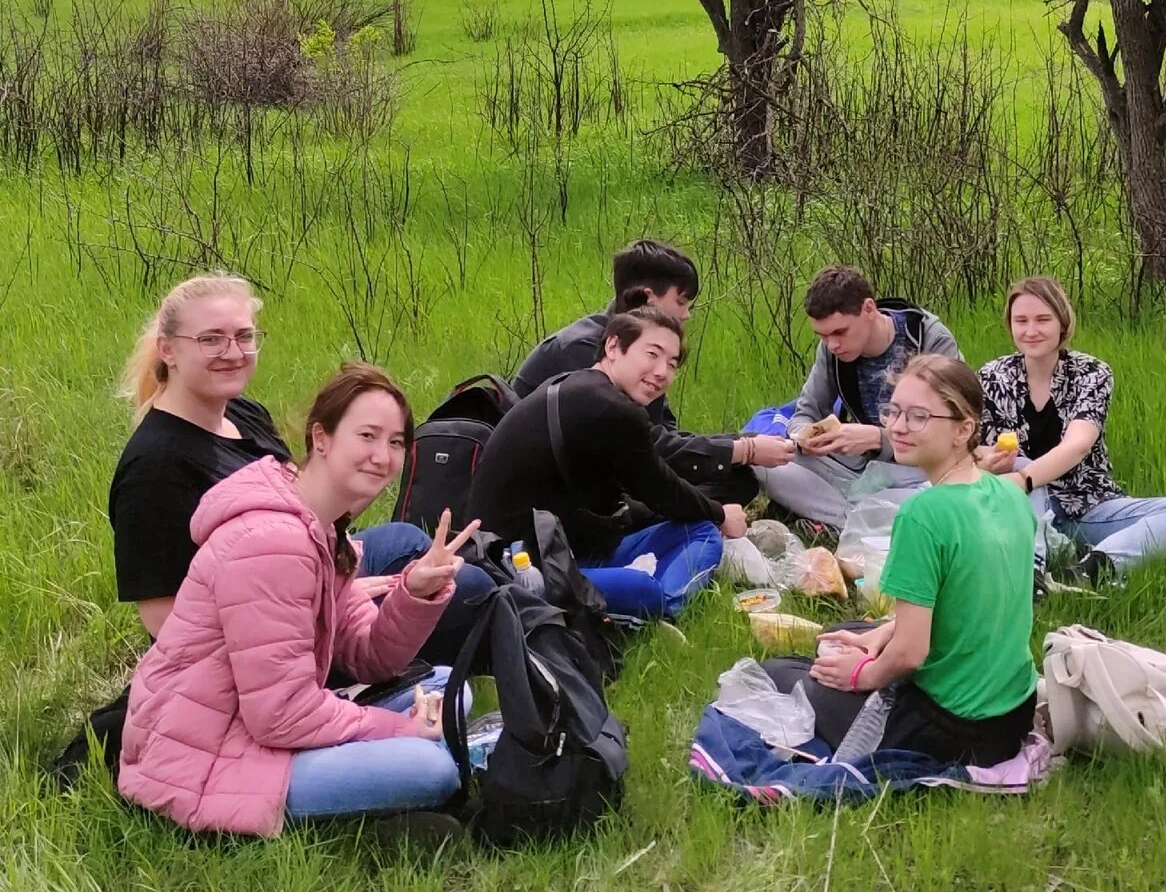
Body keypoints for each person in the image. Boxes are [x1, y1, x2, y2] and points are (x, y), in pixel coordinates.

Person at [118, 362, 481, 837]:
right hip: (206, 759)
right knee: (429, 768)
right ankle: (388, 801)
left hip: (258, 727)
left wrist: (415, 593)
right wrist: (395, 730)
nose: (382, 456)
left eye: (395, 442)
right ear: (321, 438)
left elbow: (369, 659)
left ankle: (398, 775)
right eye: (367, 435)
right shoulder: (273, 542)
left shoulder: (326, 529)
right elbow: (280, 715)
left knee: (449, 689)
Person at [109, 272, 493, 657]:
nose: (233, 352)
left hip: (306, 572)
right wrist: (327, 602)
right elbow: (168, 627)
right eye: (211, 339)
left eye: (244, 337)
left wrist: (366, 473)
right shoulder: (154, 468)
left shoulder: (243, 413)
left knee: (405, 540)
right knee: (472, 591)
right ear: (168, 350)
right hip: (264, 639)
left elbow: (303, 507)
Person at [805, 355, 1039, 766]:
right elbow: (973, 601)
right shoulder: (1007, 492)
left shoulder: (922, 514)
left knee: (802, 675)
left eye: (918, 416)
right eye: (893, 411)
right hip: (1013, 713)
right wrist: (882, 635)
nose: (896, 426)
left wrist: (862, 677)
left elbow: (911, 654)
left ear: (963, 429)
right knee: (847, 633)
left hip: (953, 729)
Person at [468, 304, 748, 619]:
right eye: (652, 354)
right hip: (524, 568)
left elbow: (631, 493)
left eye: (671, 364)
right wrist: (722, 513)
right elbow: (662, 490)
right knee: (656, 577)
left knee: (696, 529)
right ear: (613, 346)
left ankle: (637, 599)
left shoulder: (575, 384)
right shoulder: (614, 409)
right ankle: (665, 611)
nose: (662, 372)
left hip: (539, 547)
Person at [513, 238, 794, 506]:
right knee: (712, 483)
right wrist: (744, 450)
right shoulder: (583, 349)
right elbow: (643, 445)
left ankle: (682, 515)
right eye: (681, 302)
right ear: (647, 298)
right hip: (558, 487)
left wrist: (743, 445)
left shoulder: (642, 345)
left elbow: (662, 431)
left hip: (611, 466)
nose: (686, 316)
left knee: (737, 479)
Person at [977, 276, 1166, 588]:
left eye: (1043, 319)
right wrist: (989, 460)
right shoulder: (992, 376)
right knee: (1018, 465)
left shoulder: (1091, 372)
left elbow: (1079, 444)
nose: (1031, 331)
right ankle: (1031, 575)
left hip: (1087, 505)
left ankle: (1091, 569)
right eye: (1021, 321)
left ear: (1062, 323)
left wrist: (1023, 478)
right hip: (1021, 509)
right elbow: (972, 445)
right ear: (1010, 325)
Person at [757, 265, 962, 530]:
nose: (833, 345)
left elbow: (952, 428)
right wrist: (806, 437)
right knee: (762, 460)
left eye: (840, 332)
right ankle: (857, 520)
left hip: (916, 470)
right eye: (823, 336)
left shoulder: (928, 338)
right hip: (857, 468)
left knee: (947, 490)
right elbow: (805, 412)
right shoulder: (832, 351)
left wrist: (876, 438)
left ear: (869, 309)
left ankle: (846, 518)